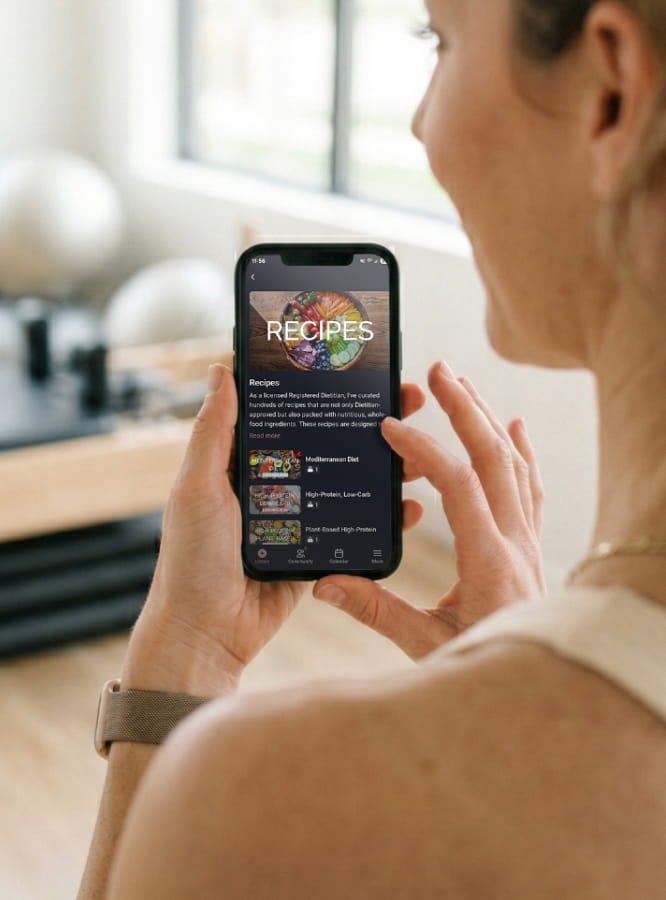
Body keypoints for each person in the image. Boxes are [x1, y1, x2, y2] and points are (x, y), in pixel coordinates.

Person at [78, 1, 666, 897]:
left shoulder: (265, 797)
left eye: (442, 39)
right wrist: (525, 661)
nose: (422, 123)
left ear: (611, 90)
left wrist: (185, 655)